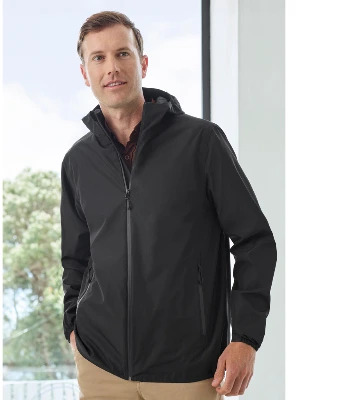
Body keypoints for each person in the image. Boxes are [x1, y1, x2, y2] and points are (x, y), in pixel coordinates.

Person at [60, 10, 277, 400]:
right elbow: (75, 257)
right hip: (100, 365)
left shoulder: (201, 142)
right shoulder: (78, 161)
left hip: (188, 367)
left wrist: (245, 337)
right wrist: (72, 324)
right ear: (85, 73)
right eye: (98, 58)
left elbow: (255, 241)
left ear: (142, 63)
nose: (112, 68)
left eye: (122, 54)